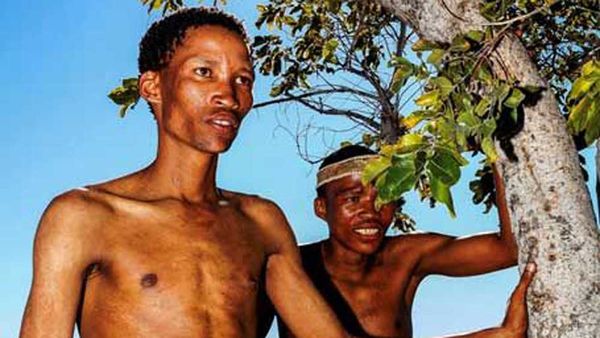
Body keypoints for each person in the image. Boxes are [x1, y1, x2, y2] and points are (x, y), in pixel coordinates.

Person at [19, 7, 348, 338]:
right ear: (152, 87)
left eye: (242, 80)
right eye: (205, 72)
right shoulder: (82, 216)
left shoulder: (262, 222)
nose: (229, 96)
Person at [277, 145, 521, 338]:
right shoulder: (291, 266)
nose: (371, 211)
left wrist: (495, 149)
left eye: (384, 198)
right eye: (352, 199)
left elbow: (507, 250)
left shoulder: (406, 257)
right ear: (321, 208)